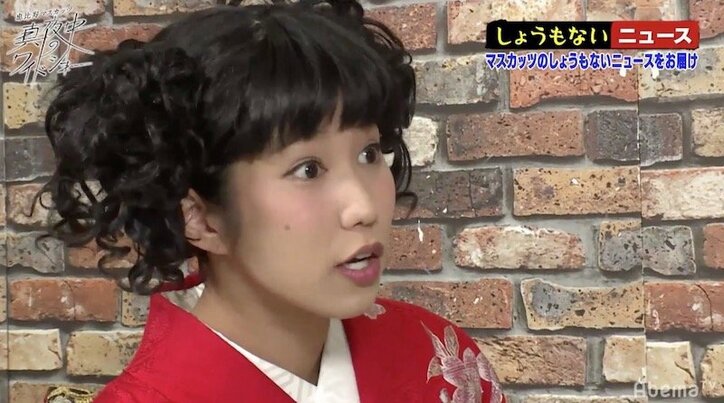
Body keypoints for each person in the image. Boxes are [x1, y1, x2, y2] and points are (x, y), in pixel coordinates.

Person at [38, 1, 507, 402]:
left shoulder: (434, 355)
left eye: (368, 153)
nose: (364, 207)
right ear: (199, 218)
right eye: (308, 170)